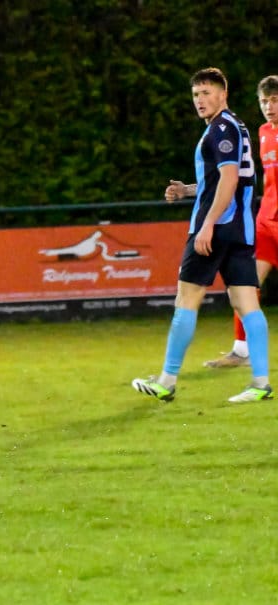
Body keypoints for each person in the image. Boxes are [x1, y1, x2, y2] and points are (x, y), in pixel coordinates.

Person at [132, 68, 271, 404]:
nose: (200, 100)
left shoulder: (221, 128)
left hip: (216, 228)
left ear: (223, 94)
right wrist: (187, 190)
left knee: (187, 299)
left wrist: (208, 224)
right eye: (196, 94)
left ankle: (167, 380)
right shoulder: (236, 126)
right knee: (245, 302)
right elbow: (224, 180)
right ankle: (261, 383)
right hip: (240, 229)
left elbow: (229, 179)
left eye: (206, 93)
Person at [203, 75, 278, 368]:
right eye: (264, 101)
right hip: (266, 220)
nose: (268, 107)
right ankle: (242, 350)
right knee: (243, 284)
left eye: (274, 100)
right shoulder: (263, 131)